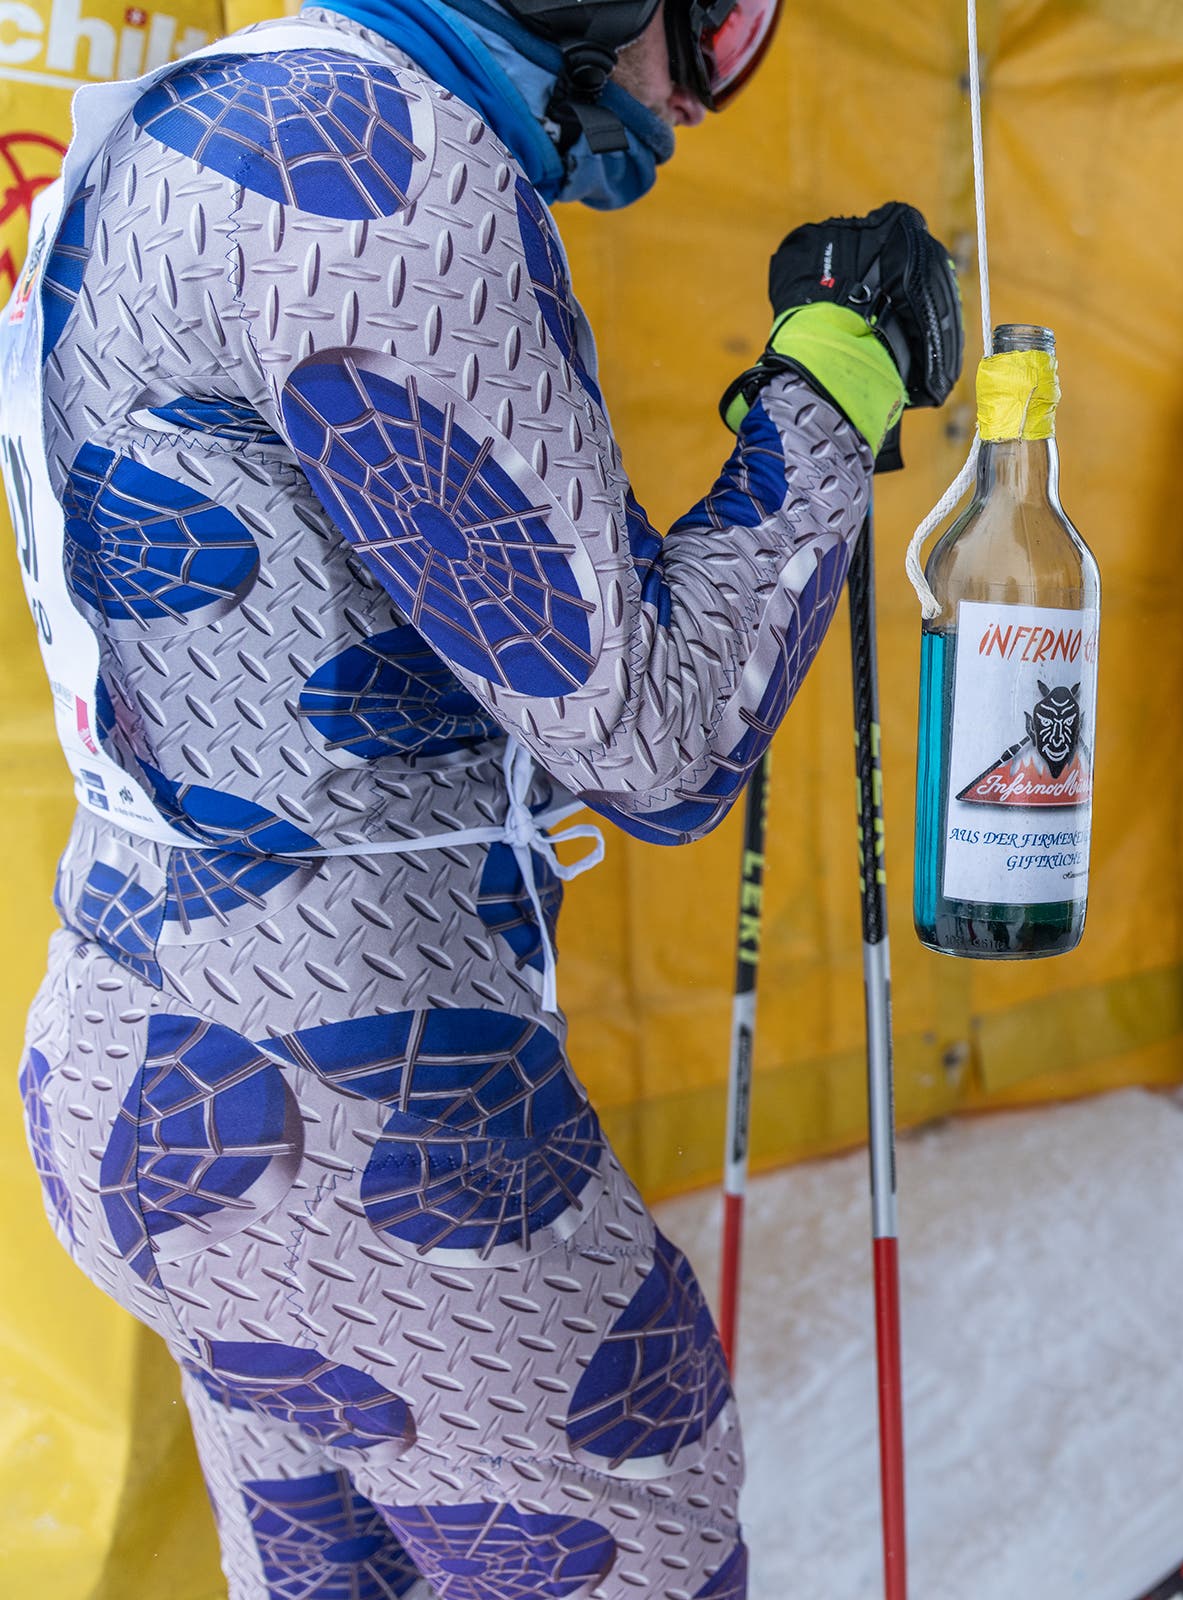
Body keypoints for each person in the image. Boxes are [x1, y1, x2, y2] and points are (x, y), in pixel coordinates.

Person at [0, 0, 961, 1590]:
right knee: (640, 1544)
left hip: (156, 1064)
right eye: (714, 22)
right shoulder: (378, 172)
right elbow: (648, 738)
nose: (707, 92)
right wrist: (830, 392)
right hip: (366, 1129)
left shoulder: (194, 120)